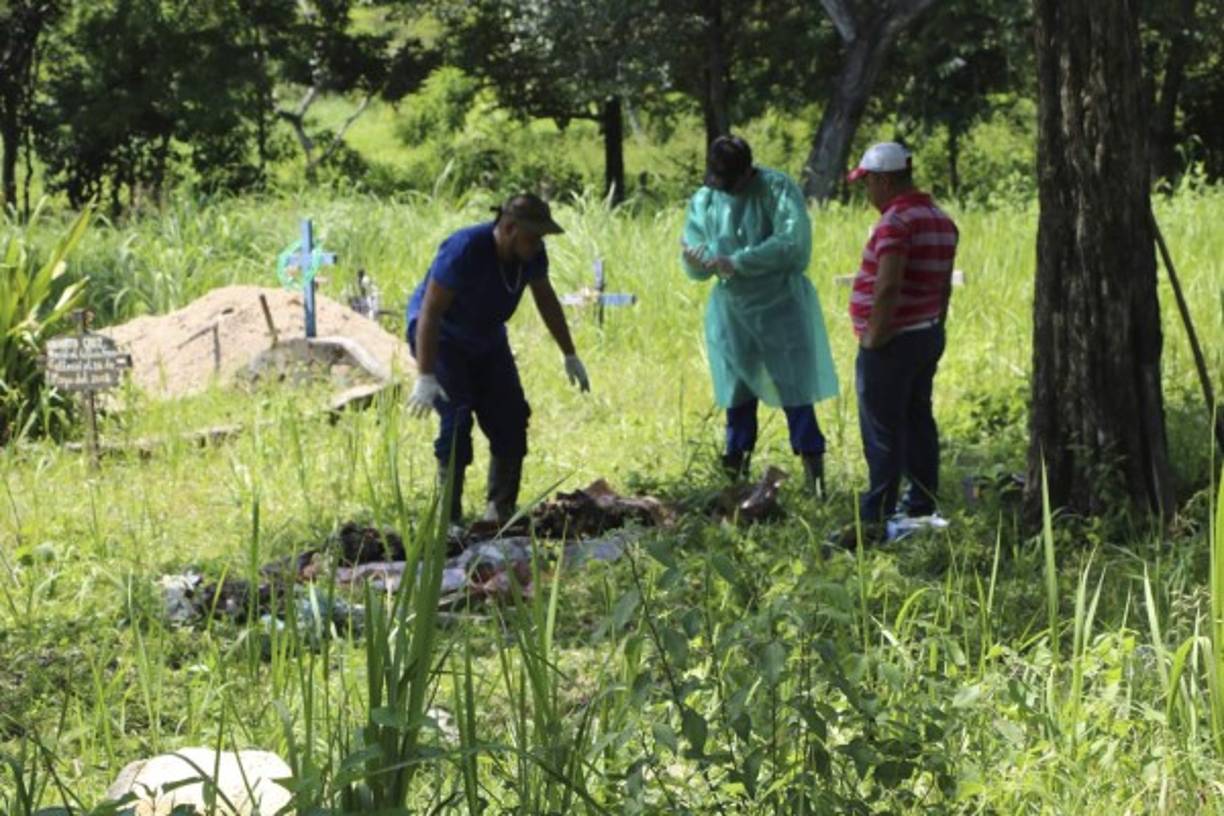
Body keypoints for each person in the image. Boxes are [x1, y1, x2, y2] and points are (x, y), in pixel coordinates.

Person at [405, 193, 590, 526]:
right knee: (457, 419)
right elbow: (430, 312)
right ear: (508, 228)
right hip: (442, 337)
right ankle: (448, 520)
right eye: (533, 237)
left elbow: (545, 298)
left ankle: (498, 512)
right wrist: (425, 374)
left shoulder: (531, 255)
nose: (538, 245)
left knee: (511, 415)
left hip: (488, 337)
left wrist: (569, 352)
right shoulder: (465, 249)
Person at [680, 135, 839, 491]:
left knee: (796, 394)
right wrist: (698, 261)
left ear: (746, 172)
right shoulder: (707, 198)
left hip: (781, 309)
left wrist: (738, 262)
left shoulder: (776, 188)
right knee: (737, 396)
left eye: (730, 183)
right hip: (733, 313)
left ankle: (815, 484)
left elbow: (792, 244)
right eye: (717, 182)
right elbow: (694, 253)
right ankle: (734, 481)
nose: (724, 190)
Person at [840, 142, 958, 544]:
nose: (867, 192)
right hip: (925, 333)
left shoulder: (896, 222)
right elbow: (943, 287)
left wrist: (874, 337)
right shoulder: (940, 219)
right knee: (917, 419)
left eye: (869, 183)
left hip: (892, 340)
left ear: (885, 180)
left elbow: (888, 284)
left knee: (882, 429)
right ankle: (922, 504)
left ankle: (877, 515)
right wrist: (936, 325)